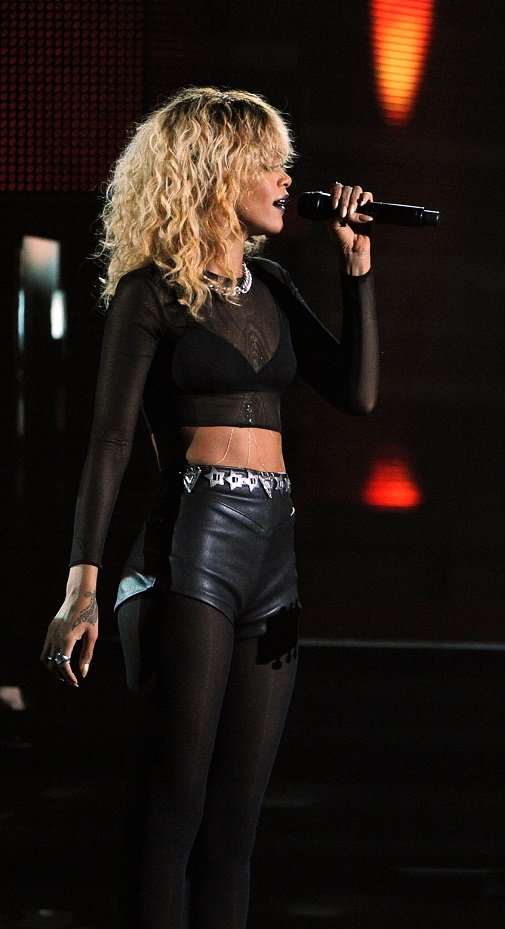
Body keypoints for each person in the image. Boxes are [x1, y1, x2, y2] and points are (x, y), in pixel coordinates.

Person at [40, 87, 380, 929]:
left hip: (273, 557)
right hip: (191, 548)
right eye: (267, 161)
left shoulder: (270, 286)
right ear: (214, 171)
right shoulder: (150, 295)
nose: (285, 176)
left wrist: (356, 271)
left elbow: (359, 394)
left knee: (235, 829)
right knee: (174, 815)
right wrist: (82, 588)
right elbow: (110, 444)